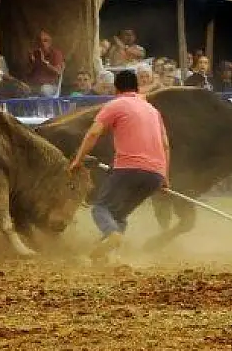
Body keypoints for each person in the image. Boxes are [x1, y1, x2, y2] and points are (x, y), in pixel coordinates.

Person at [67, 69, 170, 261]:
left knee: (101, 208)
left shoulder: (115, 105)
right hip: (155, 173)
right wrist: (164, 177)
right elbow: (165, 145)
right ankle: (110, 256)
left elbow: (93, 133)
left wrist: (78, 160)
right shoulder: (153, 111)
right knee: (119, 213)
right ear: (137, 88)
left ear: (116, 88)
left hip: (128, 168)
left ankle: (113, 235)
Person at [27, 30, 65, 96]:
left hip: (51, 86)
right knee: (24, 90)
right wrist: (32, 61)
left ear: (50, 42)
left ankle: (48, 106)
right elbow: (28, 73)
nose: (42, 43)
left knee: (44, 89)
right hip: (36, 86)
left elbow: (58, 71)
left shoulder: (56, 53)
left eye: (45, 40)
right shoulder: (35, 54)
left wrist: (44, 61)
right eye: (39, 41)